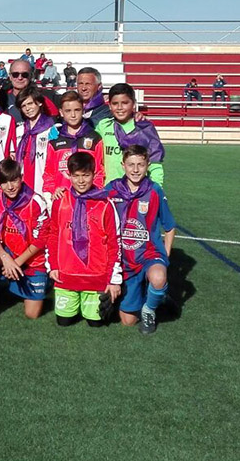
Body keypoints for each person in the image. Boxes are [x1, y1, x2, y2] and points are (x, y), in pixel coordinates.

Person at [43, 152, 121, 328]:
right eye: (76, 175)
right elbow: (53, 235)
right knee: (64, 322)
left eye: (85, 175)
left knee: (95, 323)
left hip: (96, 275)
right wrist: (53, 265)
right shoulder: (60, 201)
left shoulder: (105, 204)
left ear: (94, 174)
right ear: (69, 176)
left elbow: (114, 243)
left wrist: (113, 279)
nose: (81, 181)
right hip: (66, 275)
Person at [106, 145, 175, 335]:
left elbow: (169, 226)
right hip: (123, 260)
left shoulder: (154, 191)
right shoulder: (112, 189)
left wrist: (165, 256)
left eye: (140, 165)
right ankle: (157, 296)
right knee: (127, 321)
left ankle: (149, 310)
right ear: (123, 165)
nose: (135, 170)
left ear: (148, 165)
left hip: (148, 255)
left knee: (158, 276)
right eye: (131, 165)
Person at [0, 158, 49, 323]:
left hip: (32, 260)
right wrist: (5, 258)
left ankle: (44, 283)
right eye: (4, 182)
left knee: (32, 314)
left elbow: (41, 240)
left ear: (21, 178)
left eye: (14, 180)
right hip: (8, 255)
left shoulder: (36, 202)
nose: (10, 186)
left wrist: (17, 262)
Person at [96, 83, 165, 186]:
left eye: (125, 103)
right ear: (109, 105)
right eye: (115, 103)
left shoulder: (144, 128)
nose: (119, 107)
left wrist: (157, 188)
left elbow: (155, 163)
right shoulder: (103, 126)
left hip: (136, 190)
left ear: (133, 104)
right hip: (109, 189)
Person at [43, 91, 105, 199]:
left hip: (88, 197)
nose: (73, 115)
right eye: (68, 111)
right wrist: (53, 191)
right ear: (61, 112)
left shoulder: (94, 138)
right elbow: (49, 173)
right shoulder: (55, 140)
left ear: (83, 110)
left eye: (77, 110)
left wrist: (94, 193)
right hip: (62, 198)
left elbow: (99, 172)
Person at [14, 86, 56, 198]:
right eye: (23, 106)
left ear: (39, 103)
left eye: (30, 103)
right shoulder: (19, 131)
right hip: (22, 189)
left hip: (44, 188)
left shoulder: (52, 129)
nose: (27, 108)